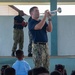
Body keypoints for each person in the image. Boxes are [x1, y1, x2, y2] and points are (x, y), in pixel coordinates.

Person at [28, 6, 52, 70]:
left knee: (46, 65)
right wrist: (45, 17)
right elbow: (39, 27)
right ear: (31, 13)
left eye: (38, 10)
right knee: (38, 66)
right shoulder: (31, 22)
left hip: (45, 45)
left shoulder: (42, 21)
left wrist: (49, 19)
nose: (38, 12)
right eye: (36, 11)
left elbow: (49, 29)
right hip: (37, 46)